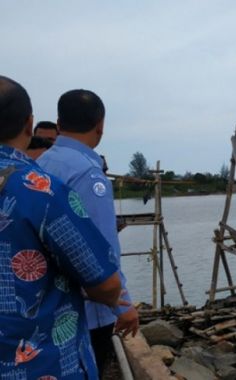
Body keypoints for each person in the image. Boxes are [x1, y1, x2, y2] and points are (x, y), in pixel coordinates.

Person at [0, 76, 123, 378]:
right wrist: (118, 301)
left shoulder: (46, 170)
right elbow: (105, 282)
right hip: (39, 364)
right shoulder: (39, 189)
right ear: (29, 124)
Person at [38, 89, 139, 374]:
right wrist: (124, 305)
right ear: (100, 125)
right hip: (89, 310)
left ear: (59, 123)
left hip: (50, 303)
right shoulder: (88, 174)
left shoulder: (39, 165)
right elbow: (103, 250)